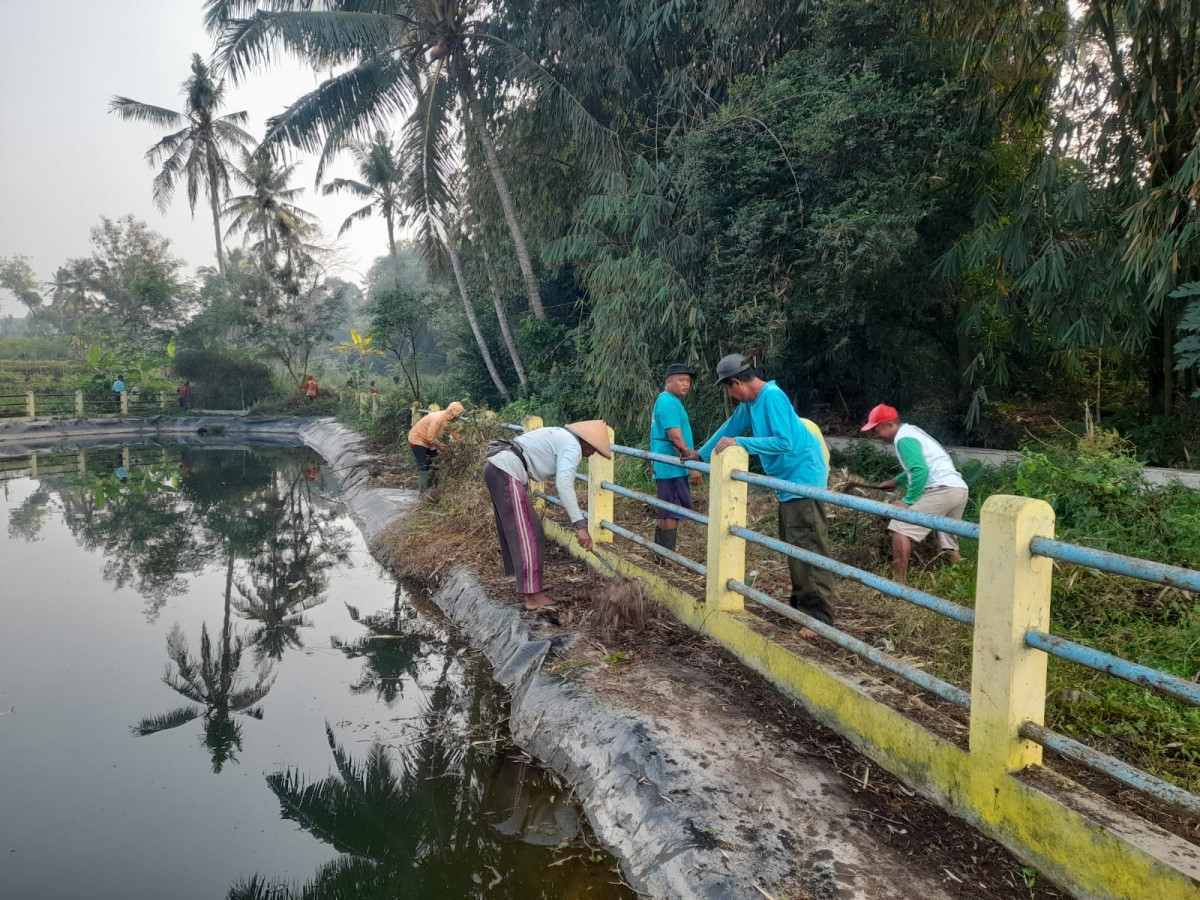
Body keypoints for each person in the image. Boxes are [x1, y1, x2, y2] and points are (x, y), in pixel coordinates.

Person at [697, 354, 834, 636]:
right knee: (793, 546)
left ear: (736, 383)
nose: (732, 396)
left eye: (728, 390)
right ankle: (802, 607)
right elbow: (730, 428)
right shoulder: (751, 402)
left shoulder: (772, 396)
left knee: (807, 548)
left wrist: (741, 443)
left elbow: (785, 441)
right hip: (786, 483)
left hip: (802, 479)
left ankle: (819, 618)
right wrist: (699, 453)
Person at [483, 420, 611, 612]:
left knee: (528, 531)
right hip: (505, 471)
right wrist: (580, 525)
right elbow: (564, 485)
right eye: (594, 450)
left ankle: (532, 585)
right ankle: (533, 597)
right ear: (587, 442)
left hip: (500, 468)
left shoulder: (561, 436)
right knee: (528, 534)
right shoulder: (572, 446)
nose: (592, 454)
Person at [859, 404, 969, 583]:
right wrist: (897, 481)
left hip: (942, 490)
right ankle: (964, 579)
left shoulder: (903, 439)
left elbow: (920, 470)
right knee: (947, 538)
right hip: (957, 489)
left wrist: (908, 500)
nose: (877, 435)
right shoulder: (911, 432)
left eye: (877, 429)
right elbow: (920, 465)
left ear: (888, 424)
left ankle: (898, 585)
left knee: (900, 526)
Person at [649, 363, 702, 550]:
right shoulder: (669, 402)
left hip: (668, 466)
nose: (686, 384)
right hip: (672, 467)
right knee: (671, 511)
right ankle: (666, 557)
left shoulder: (667, 401)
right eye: (681, 380)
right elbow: (676, 438)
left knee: (666, 510)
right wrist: (693, 466)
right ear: (668, 381)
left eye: (688, 381)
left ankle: (660, 555)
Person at [407, 402, 465, 491]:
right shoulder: (437, 419)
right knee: (424, 464)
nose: (457, 418)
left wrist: (464, 443)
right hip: (417, 439)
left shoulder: (449, 421)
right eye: (457, 415)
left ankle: (433, 489)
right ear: (451, 413)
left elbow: (455, 434)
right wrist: (444, 448)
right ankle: (423, 492)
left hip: (429, 442)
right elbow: (431, 438)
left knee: (435, 462)